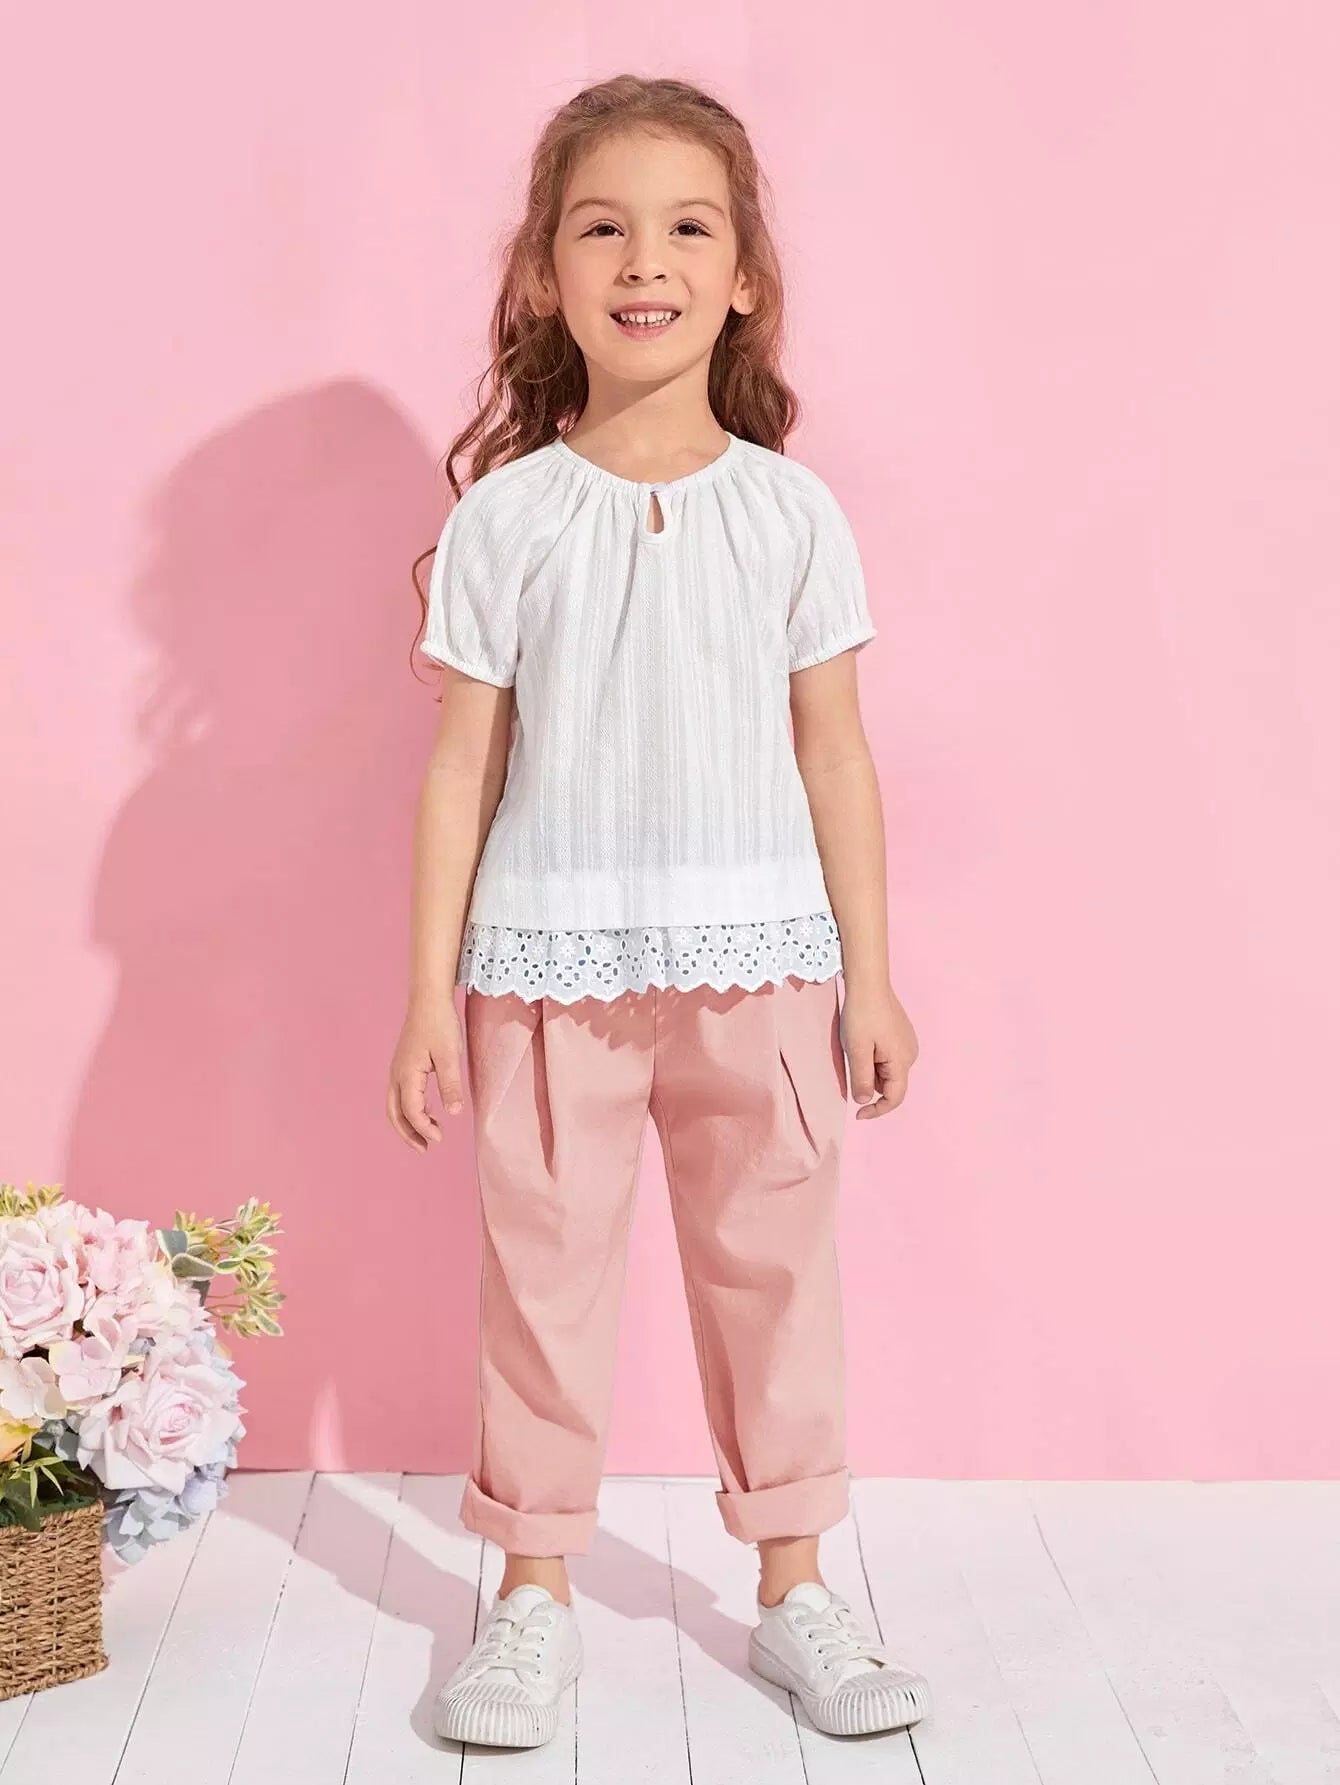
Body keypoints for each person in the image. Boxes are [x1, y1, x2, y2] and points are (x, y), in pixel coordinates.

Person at [387, 72, 929, 1750]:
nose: (646, 260)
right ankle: (530, 1594)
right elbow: (461, 771)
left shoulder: (792, 512)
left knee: (775, 1277)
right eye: (602, 227)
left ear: (744, 273)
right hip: (546, 969)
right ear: (545, 272)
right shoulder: (506, 518)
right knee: (541, 1284)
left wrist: (873, 976)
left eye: (689, 226)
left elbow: (837, 755)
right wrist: (424, 997)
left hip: (763, 967)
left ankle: (797, 1584)